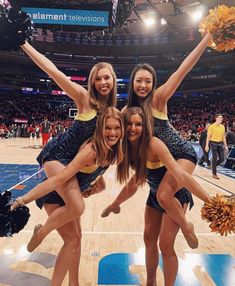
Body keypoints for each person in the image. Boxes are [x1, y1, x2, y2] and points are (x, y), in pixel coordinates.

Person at [10, 41, 117, 286]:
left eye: (107, 78)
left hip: (74, 175)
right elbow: (53, 71)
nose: (103, 82)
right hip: (57, 156)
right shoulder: (84, 98)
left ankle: (74, 284)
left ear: (113, 80)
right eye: (98, 78)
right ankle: (43, 230)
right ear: (92, 81)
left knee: (76, 239)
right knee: (77, 207)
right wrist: (24, 44)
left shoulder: (113, 113)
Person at [117, 32, 212, 248]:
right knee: (161, 198)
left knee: (163, 194)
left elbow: (182, 70)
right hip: (162, 159)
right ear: (132, 83)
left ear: (153, 83)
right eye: (139, 81)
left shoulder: (159, 98)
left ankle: (187, 229)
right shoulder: (126, 111)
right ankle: (186, 225)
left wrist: (207, 38)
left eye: (147, 81)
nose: (143, 85)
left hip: (183, 153)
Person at [11, 107, 124, 286]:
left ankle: (74, 283)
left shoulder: (113, 152)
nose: (112, 132)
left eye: (116, 128)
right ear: (100, 128)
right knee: (72, 238)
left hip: (70, 195)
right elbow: (59, 179)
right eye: (107, 128)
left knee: (77, 238)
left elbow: (99, 180)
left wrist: (93, 188)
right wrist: (23, 199)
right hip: (54, 194)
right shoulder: (90, 150)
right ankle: (41, 233)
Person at [102, 107, 211, 285]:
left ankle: (186, 228)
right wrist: (116, 203)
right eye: (129, 123)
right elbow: (135, 182)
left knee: (166, 246)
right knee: (148, 240)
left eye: (138, 124)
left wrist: (208, 200)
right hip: (155, 195)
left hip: (175, 195)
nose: (133, 128)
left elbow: (181, 175)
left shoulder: (154, 144)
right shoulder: (127, 149)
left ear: (145, 126)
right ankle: (150, 282)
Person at [205, 114, 228, 179]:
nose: (222, 119)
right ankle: (214, 174)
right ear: (216, 118)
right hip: (213, 143)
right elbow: (208, 137)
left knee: (222, 159)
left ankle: (213, 166)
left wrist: (225, 145)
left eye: (222, 118)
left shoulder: (223, 127)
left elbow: (223, 137)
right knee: (214, 157)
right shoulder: (211, 127)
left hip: (220, 144)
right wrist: (206, 146)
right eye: (220, 118)